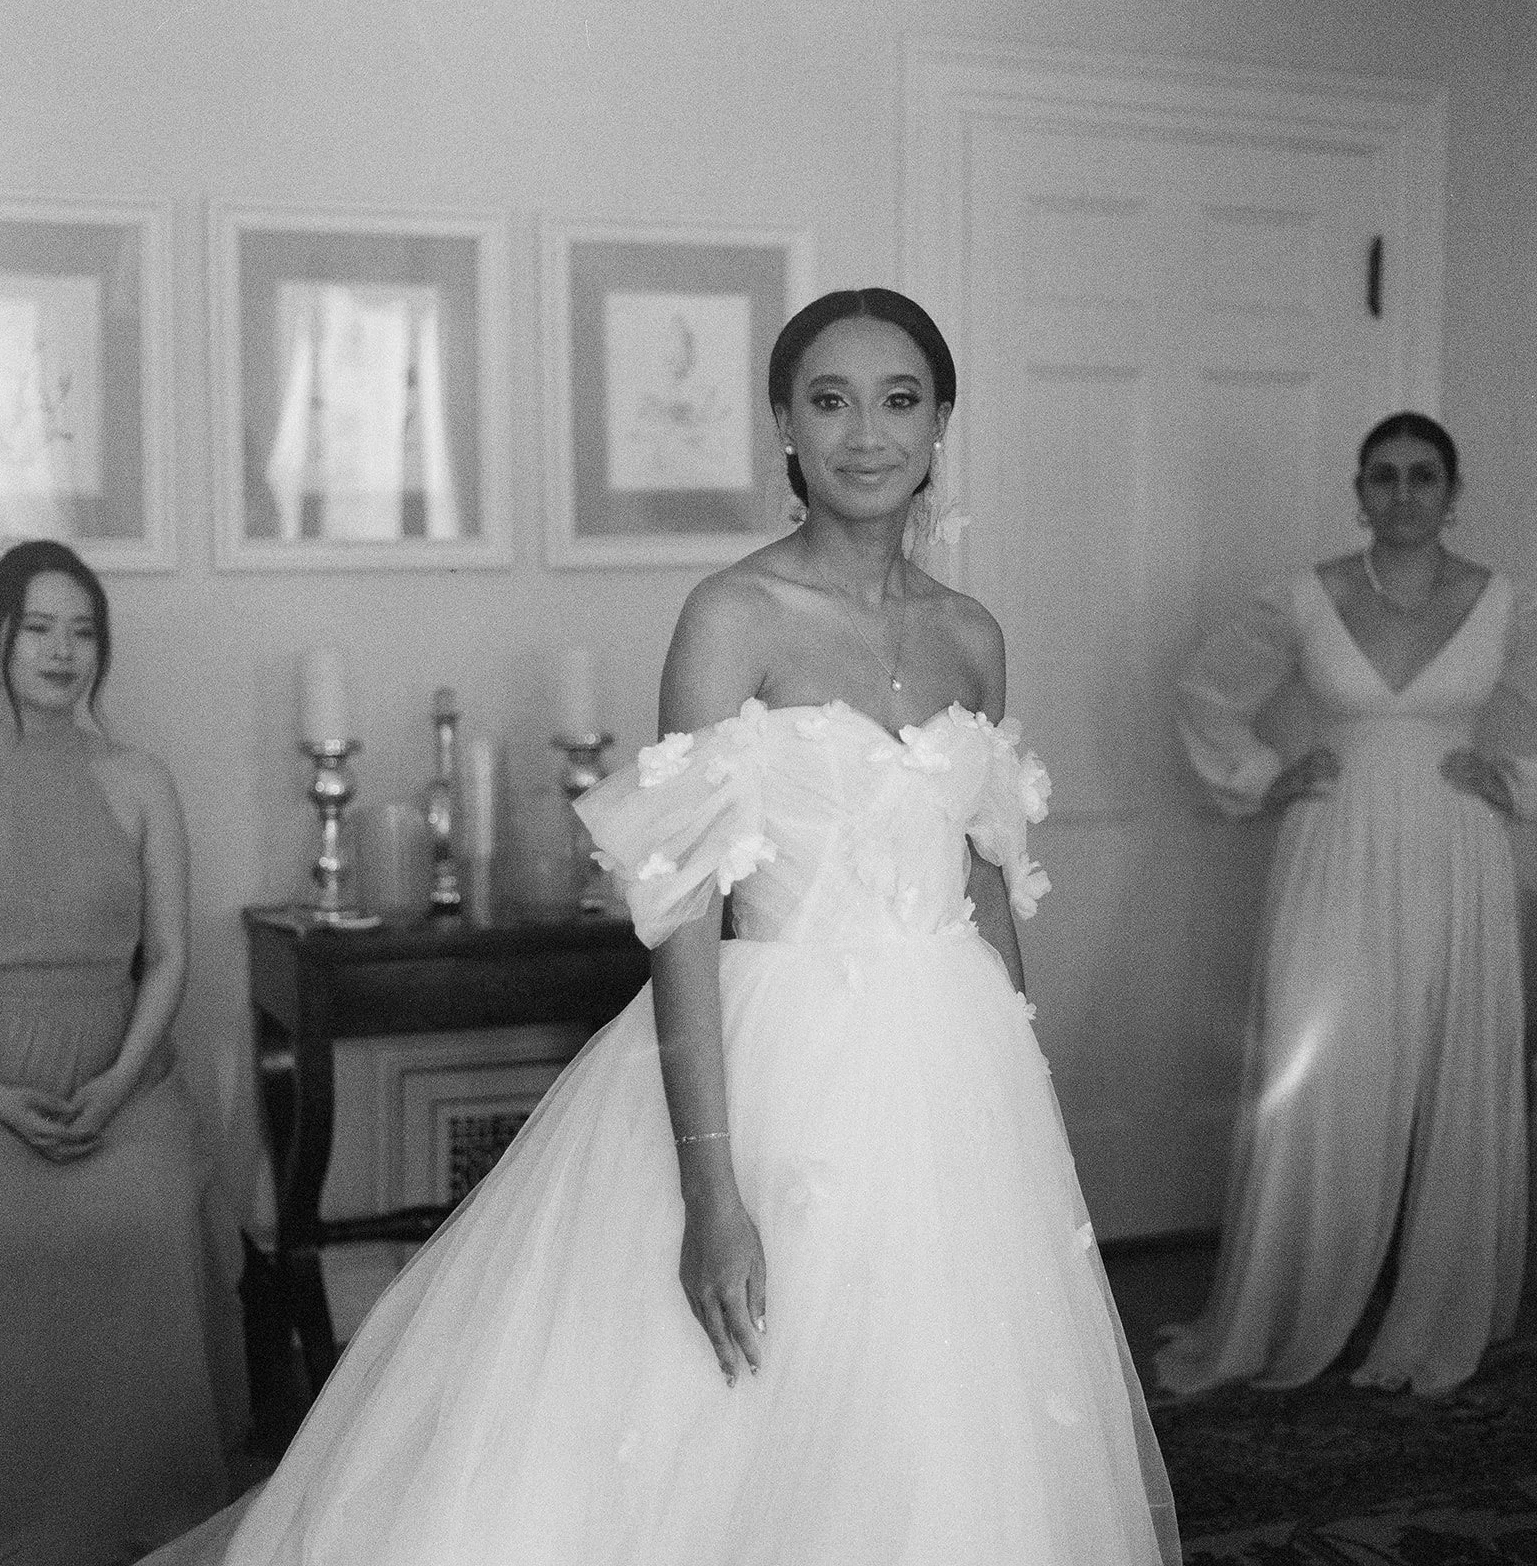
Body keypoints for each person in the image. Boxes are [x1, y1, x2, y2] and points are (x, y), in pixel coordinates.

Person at [168, 289, 1176, 1566]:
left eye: (899, 398)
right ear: (785, 430)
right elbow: (681, 905)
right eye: (830, 400)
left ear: (939, 426)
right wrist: (711, 1191)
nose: (866, 432)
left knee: (939, 1427)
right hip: (774, 1065)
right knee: (728, 1421)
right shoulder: (732, 618)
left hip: (953, 1079)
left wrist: (1029, 1116)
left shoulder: (972, 636)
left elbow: (980, 894)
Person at [1156, 412, 1534, 1397]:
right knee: (1321, 1070)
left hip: (1459, 853)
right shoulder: (1304, 598)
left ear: (1452, 493)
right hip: (1334, 846)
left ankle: (1436, 1313)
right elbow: (1204, 692)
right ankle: (1292, 1301)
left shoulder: (1500, 602)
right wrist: (1261, 774)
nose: (1401, 495)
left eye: (1421, 478)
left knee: (1460, 1073)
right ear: (1357, 491)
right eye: (1382, 477)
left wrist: (1518, 781)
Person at [0, 541, 250, 1564]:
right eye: (39, 627)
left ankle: (155, 1510)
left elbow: (167, 956)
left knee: (150, 1212)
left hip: (123, 1080)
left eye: (83, 631)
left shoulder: (140, 781)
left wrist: (118, 1083)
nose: (63, 650)